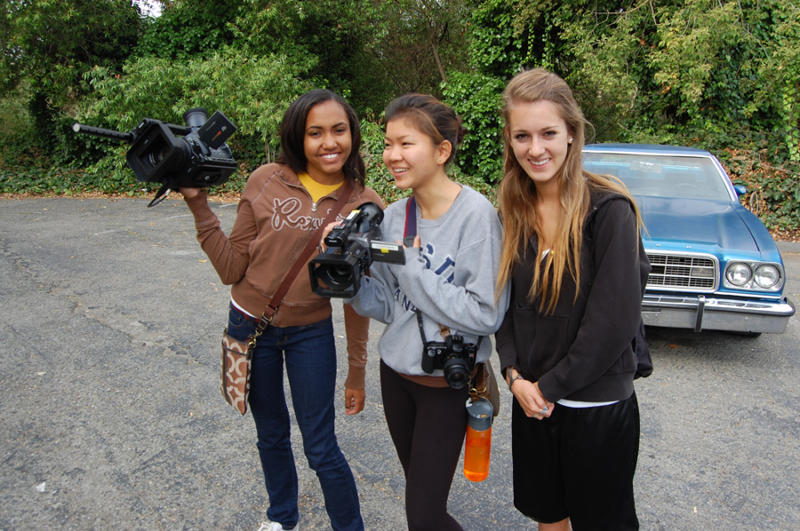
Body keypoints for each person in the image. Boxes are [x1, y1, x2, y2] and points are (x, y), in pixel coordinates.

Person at [180, 89, 383, 531]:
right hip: (249, 324)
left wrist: (357, 371)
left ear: (352, 134)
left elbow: (357, 299)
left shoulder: (364, 206)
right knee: (270, 433)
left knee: (321, 446)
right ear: (298, 137)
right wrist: (199, 205)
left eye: (338, 130)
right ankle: (281, 517)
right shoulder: (266, 179)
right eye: (315, 133)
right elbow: (231, 265)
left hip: (311, 331)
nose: (329, 142)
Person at [338, 94, 509, 530]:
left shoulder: (476, 217)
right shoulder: (394, 219)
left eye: (405, 144)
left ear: (441, 151)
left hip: (445, 388)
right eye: (387, 143)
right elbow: (391, 305)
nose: (391, 156)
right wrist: (351, 281)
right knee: (423, 501)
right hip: (396, 378)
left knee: (423, 513)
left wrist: (413, 266)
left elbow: (486, 314)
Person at [494, 69, 649, 530]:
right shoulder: (513, 209)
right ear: (510, 139)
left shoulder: (609, 210)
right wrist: (513, 374)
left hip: (595, 408)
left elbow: (612, 324)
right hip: (533, 402)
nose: (535, 148)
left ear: (572, 135)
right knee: (549, 519)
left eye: (548, 133)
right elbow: (503, 305)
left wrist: (546, 388)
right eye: (522, 135)